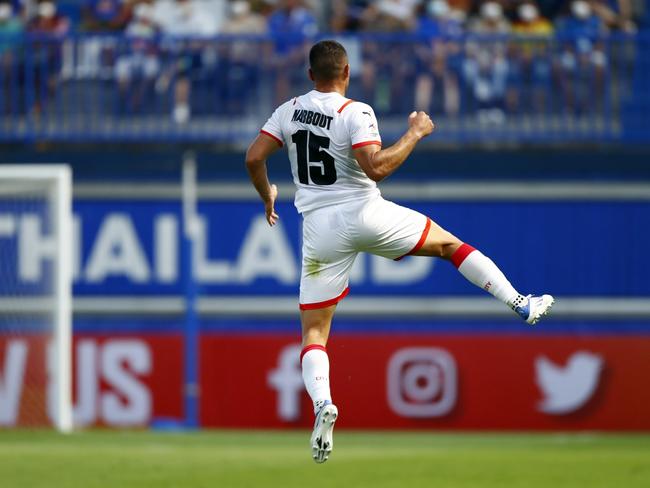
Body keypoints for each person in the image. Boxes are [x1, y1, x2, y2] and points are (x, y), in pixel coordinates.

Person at [245, 40, 554, 464]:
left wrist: (268, 196)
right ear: (347, 72)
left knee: (314, 333)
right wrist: (416, 132)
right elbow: (376, 167)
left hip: (319, 230)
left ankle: (322, 406)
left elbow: (253, 157)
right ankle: (519, 302)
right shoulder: (356, 111)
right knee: (449, 245)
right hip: (365, 212)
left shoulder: (288, 110)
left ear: (309, 74)